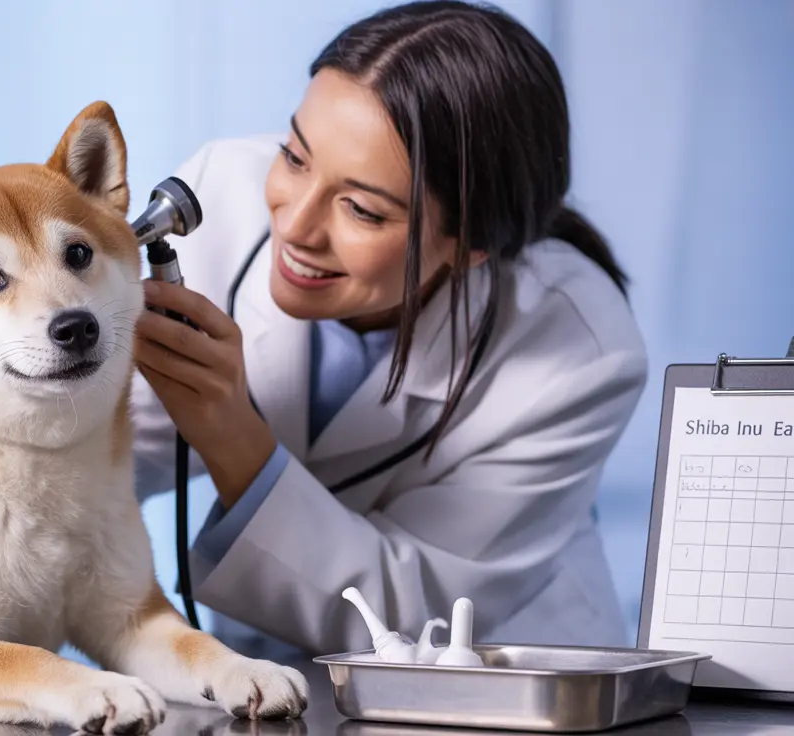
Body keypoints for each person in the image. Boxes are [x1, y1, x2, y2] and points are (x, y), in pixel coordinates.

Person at [129, 0, 647, 657]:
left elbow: (414, 611)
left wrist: (229, 432)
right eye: (294, 155)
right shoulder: (215, 201)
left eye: (363, 210)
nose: (294, 226)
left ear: (470, 244)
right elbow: (99, 459)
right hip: (276, 672)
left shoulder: (579, 350)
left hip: (488, 681)